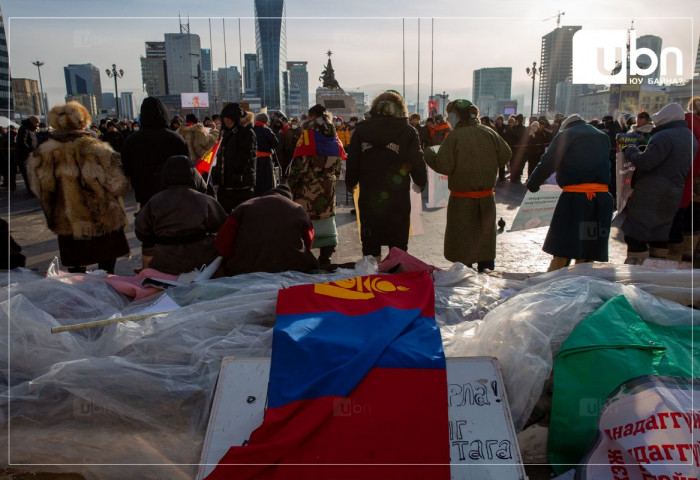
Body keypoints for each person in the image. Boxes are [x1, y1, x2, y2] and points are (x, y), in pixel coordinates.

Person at [27, 102, 130, 273]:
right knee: (105, 259)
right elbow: (117, 184)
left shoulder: (42, 154)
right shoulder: (97, 149)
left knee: (76, 262)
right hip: (100, 213)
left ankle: (80, 292)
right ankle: (106, 288)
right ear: (83, 122)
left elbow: (39, 189)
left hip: (66, 216)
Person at [424, 100, 511, 272]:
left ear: (457, 116)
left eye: (451, 116)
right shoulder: (489, 133)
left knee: (463, 246)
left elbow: (444, 166)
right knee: (485, 243)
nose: (449, 120)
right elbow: (505, 155)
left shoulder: (455, 137)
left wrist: (429, 154)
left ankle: (465, 283)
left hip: (461, 202)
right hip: (486, 200)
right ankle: (487, 277)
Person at [345, 90, 427, 260]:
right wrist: (421, 181)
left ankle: (372, 276)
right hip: (397, 194)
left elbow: (353, 160)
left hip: (369, 192)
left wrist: (350, 182)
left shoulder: (361, 131)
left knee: (370, 240)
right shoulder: (408, 131)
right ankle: (395, 274)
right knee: (397, 239)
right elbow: (416, 161)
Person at [526, 114, 614, 271]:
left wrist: (533, 184)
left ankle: (555, 282)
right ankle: (581, 280)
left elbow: (548, 162)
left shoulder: (566, 134)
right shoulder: (601, 136)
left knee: (564, 244)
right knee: (587, 243)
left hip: (576, 200)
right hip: (599, 201)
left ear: (565, 126)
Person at [621, 103, 698, 264]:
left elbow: (646, 162)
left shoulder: (664, 136)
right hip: (673, 193)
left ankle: (636, 275)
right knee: (660, 236)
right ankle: (658, 272)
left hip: (651, 194)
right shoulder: (689, 136)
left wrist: (631, 150)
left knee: (636, 236)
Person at [122, 97, 189, 269]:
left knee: (148, 233)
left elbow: (126, 168)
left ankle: (149, 269)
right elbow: (186, 167)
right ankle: (172, 267)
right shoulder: (175, 138)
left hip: (145, 194)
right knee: (171, 231)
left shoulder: (132, 140)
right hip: (172, 195)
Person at [135, 155, 226, 275]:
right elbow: (222, 225)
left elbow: (142, 232)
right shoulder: (204, 200)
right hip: (201, 262)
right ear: (193, 174)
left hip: (166, 262)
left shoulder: (155, 202)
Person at [288, 104, 345, 266]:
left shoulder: (308, 134)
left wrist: (290, 186)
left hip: (308, 187)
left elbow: (300, 163)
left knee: (304, 222)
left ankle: (304, 258)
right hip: (327, 187)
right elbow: (338, 165)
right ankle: (325, 257)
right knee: (327, 221)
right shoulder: (334, 136)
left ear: (311, 116)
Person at [216, 184, 318, 276]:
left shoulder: (244, 207)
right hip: (294, 267)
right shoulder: (298, 209)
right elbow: (309, 240)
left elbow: (223, 242)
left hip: (245, 269)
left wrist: (235, 258)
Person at [212, 103, 257, 213]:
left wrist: (238, 173)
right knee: (224, 214)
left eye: (230, 118)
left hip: (241, 183)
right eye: (225, 118)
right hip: (226, 181)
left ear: (236, 118)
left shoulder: (246, 132)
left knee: (242, 214)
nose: (227, 121)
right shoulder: (226, 132)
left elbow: (245, 155)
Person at [252, 112, 280, 197]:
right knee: (267, 181)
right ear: (266, 121)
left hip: (253, 160)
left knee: (256, 181)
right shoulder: (267, 130)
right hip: (265, 160)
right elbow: (275, 143)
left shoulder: (251, 130)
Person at [16, 115, 40, 191]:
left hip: (30, 154)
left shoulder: (30, 129)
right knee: (27, 174)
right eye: (37, 123)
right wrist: (30, 150)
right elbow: (22, 142)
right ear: (32, 122)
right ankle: (31, 190)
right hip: (25, 156)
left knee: (32, 173)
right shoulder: (24, 128)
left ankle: (33, 189)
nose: (38, 125)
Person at [508, 114, 529, 184]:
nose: (519, 120)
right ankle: (513, 176)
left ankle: (517, 176)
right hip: (513, 148)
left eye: (520, 119)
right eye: (518, 119)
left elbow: (522, 137)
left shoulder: (524, 128)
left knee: (520, 163)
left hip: (520, 149)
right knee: (512, 163)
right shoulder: (513, 127)